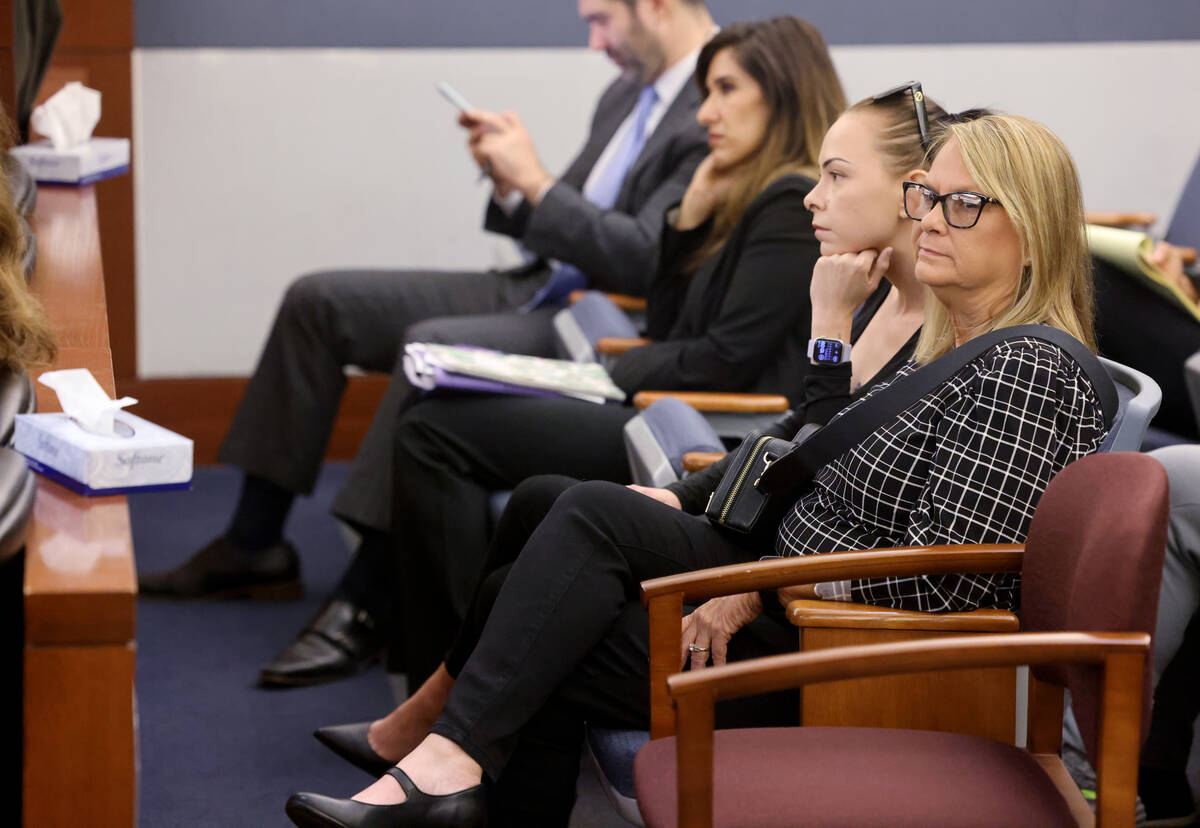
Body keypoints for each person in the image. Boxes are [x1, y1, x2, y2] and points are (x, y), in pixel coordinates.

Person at [285, 113, 1109, 827]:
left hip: (845, 652)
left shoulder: (1027, 370)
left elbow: (944, 577)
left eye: (963, 205)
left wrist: (763, 583)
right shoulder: (950, 339)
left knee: (570, 572)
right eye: (927, 196)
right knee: (555, 536)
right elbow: (804, 454)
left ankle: (445, 763)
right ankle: (446, 767)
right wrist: (727, 536)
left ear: (1031, 228)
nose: (930, 219)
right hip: (796, 591)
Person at [315, 82, 959, 770]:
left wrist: (826, 333)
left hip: (805, 591)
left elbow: (830, 479)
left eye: (836, 176)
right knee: (541, 506)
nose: (813, 195)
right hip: (768, 537)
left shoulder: (918, 326)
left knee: (563, 559)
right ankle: (441, 731)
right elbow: (792, 429)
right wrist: (683, 497)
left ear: (910, 192)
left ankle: (442, 743)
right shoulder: (867, 294)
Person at [137, 0, 716, 681]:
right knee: (317, 302)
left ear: (654, 6)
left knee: (428, 347)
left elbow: (644, 258)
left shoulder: (712, 103)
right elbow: (575, 215)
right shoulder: (630, 91)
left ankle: (366, 596)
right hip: (540, 283)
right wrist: (513, 187)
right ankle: (252, 542)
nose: (594, 42)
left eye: (601, 21)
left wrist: (537, 182)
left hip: (599, 320)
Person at [385, 15, 845, 689]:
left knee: (436, 434)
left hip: (698, 419)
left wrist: (599, 373)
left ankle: (445, 663)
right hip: (665, 401)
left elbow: (722, 359)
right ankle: (453, 668)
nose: (705, 114)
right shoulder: (743, 188)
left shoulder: (787, 202)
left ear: (779, 95)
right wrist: (689, 218)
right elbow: (667, 321)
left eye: (723, 91)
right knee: (443, 423)